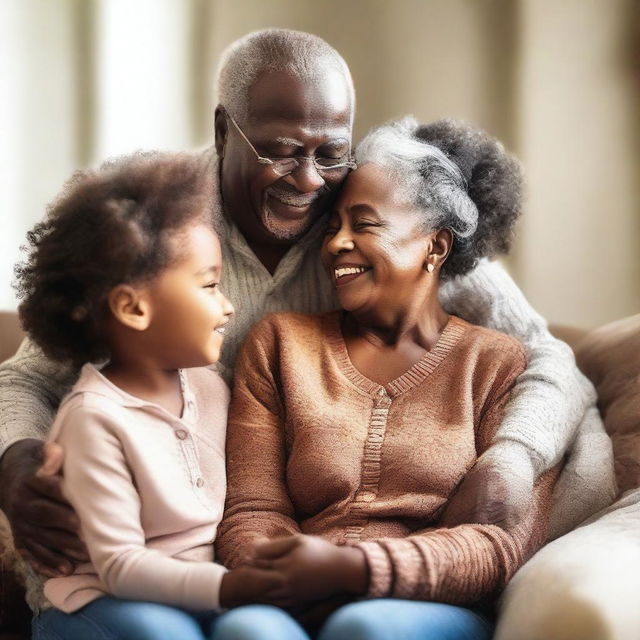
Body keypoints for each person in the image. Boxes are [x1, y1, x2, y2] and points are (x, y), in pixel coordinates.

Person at [0, 28, 614, 614]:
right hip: (150, 546)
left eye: (331, 153)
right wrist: (17, 459)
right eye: (282, 151)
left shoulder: (374, 216)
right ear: (223, 130)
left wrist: (510, 456)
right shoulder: (156, 219)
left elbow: (547, 354)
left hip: (291, 561)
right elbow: (25, 378)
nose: (308, 180)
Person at [212, 118, 558, 640]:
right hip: (293, 592)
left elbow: (498, 543)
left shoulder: (496, 364)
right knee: (250, 631)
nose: (336, 245)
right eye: (332, 228)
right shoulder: (281, 345)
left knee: (364, 627)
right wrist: (280, 574)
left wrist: (357, 571)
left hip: (428, 605)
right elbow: (252, 509)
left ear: (435, 248)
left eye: (364, 224)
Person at [14, 151, 287, 640]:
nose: (227, 307)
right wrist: (228, 588)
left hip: (202, 591)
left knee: (265, 629)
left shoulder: (211, 385)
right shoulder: (93, 420)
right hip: (102, 601)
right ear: (133, 308)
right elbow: (120, 566)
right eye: (209, 286)